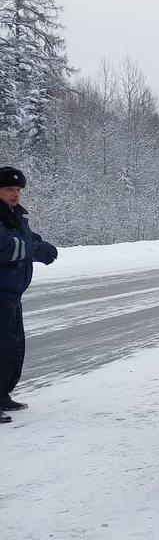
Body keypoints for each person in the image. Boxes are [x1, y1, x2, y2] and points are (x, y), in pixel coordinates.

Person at [0, 166, 57, 425]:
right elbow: (4, 246)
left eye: (19, 189)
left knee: (12, 348)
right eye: (10, 189)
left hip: (12, 294)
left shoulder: (14, 215)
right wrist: (32, 248)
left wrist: (39, 242)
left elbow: (23, 237)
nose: (15, 194)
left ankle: (2, 394)